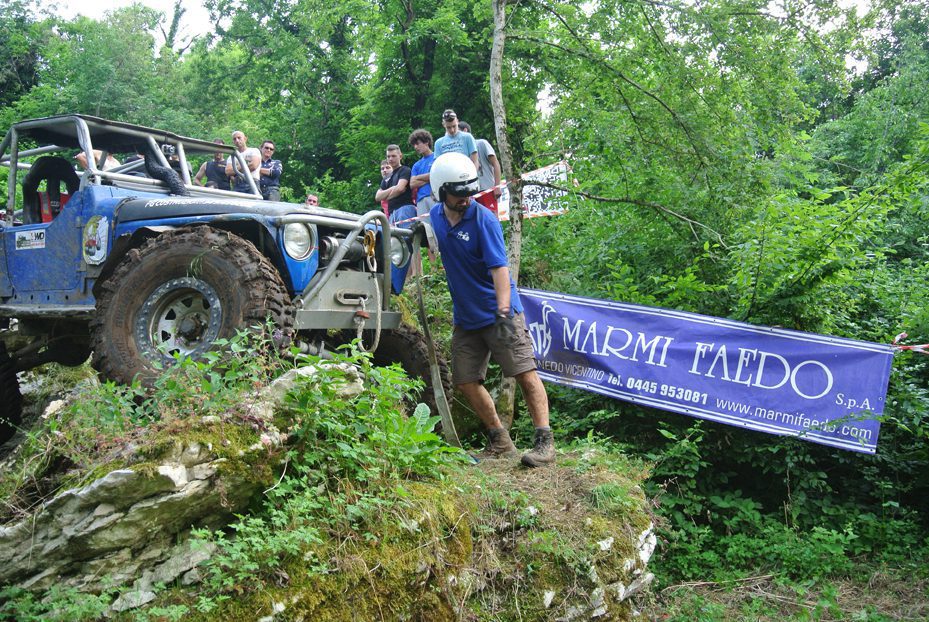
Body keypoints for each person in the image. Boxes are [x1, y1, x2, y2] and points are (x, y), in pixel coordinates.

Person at [427, 152, 555, 467]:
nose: (466, 199)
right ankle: (500, 440)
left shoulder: (483, 220)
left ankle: (545, 443)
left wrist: (502, 311)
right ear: (441, 191)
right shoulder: (435, 216)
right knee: (465, 380)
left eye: (469, 192)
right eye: (459, 193)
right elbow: (426, 235)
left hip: (500, 312)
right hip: (466, 318)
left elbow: (500, 270)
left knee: (524, 372)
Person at [375, 144, 417, 291]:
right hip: (392, 213)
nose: (391, 159)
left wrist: (388, 193)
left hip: (405, 209)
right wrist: (393, 190)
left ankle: (416, 275)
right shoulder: (388, 177)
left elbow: (401, 188)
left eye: (393, 156)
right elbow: (377, 196)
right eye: (388, 156)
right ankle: (404, 279)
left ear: (400, 156)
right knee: (397, 245)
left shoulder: (405, 170)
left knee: (408, 242)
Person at [459, 121, 502, 212]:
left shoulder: (481, 143)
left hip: (487, 189)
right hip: (471, 193)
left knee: (491, 217)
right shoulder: (461, 152)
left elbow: (496, 163)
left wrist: (497, 186)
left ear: (465, 131)